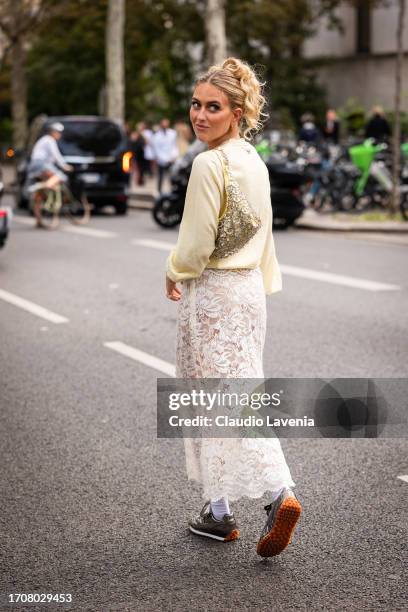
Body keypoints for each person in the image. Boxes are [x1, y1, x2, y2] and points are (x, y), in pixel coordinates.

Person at [165, 57, 302, 558]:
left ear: (238, 111)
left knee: (214, 397)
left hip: (213, 291)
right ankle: (218, 513)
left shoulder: (208, 163)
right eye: (196, 104)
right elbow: (263, 236)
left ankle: (276, 494)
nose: (200, 115)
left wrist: (174, 269)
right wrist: (258, 283)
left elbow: (197, 244)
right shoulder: (253, 160)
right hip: (246, 292)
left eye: (213, 107)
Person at [27, 122, 72, 191]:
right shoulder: (50, 140)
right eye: (58, 132)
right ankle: (39, 187)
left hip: (34, 164)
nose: (60, 135)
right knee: (61, 177)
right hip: (41, 164)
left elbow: (50, 158)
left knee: (50, 179)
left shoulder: (44, 139)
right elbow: (56, 155)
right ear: (53, 132)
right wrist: (64, 166)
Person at [151, 118, 179, 193]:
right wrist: (164, 159)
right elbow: (156, 150)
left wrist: (173, 156)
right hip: (162, 160)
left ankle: (172, 191)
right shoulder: (156, 136)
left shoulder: (173, 133)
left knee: (172, 176)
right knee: (161, 176)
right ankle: (159, 191)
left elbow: (174, 146)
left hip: (171, 159)